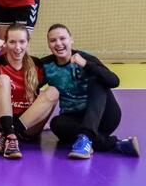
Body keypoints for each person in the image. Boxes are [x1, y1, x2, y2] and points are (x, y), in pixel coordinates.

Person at [42, 24, 139, 158]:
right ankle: (115, 144)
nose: (58, 43)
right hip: (76, 119)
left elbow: (114, 81)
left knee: (97, 80)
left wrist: (86, 65)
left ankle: (86, 137)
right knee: (56, 123)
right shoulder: (47, 65)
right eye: (53, 40)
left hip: (104, 116)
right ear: (48, 44)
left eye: (62, 38)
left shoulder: (85, 58)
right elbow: (30, 83)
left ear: (71, 40)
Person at [0, 24, 58, 159]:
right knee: (3, 79)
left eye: (22, 42)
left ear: (28, 42)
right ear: (5, 43)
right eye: (12, 42)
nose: (17, 47)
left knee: (54, 91)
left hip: (26, 128)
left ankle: (7, 135)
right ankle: (9, 135)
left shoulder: (36, 65)